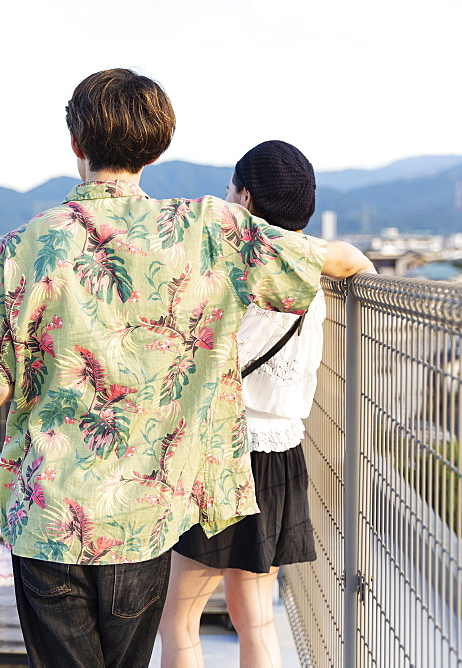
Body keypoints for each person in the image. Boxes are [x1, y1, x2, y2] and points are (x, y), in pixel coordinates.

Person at [0, 69, 375, 668]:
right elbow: (334, 260)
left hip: (48, 511)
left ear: (76, 145)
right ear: (157, 147)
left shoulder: (21, 247)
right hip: (147, 509)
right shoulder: (208, 228)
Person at [158, 140, 330, 668]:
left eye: (231, 190)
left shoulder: (236, 277)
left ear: (247, 201)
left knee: (179, 620)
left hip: (223, 458)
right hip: (283, 454)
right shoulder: (315, 279)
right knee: (254, 615)